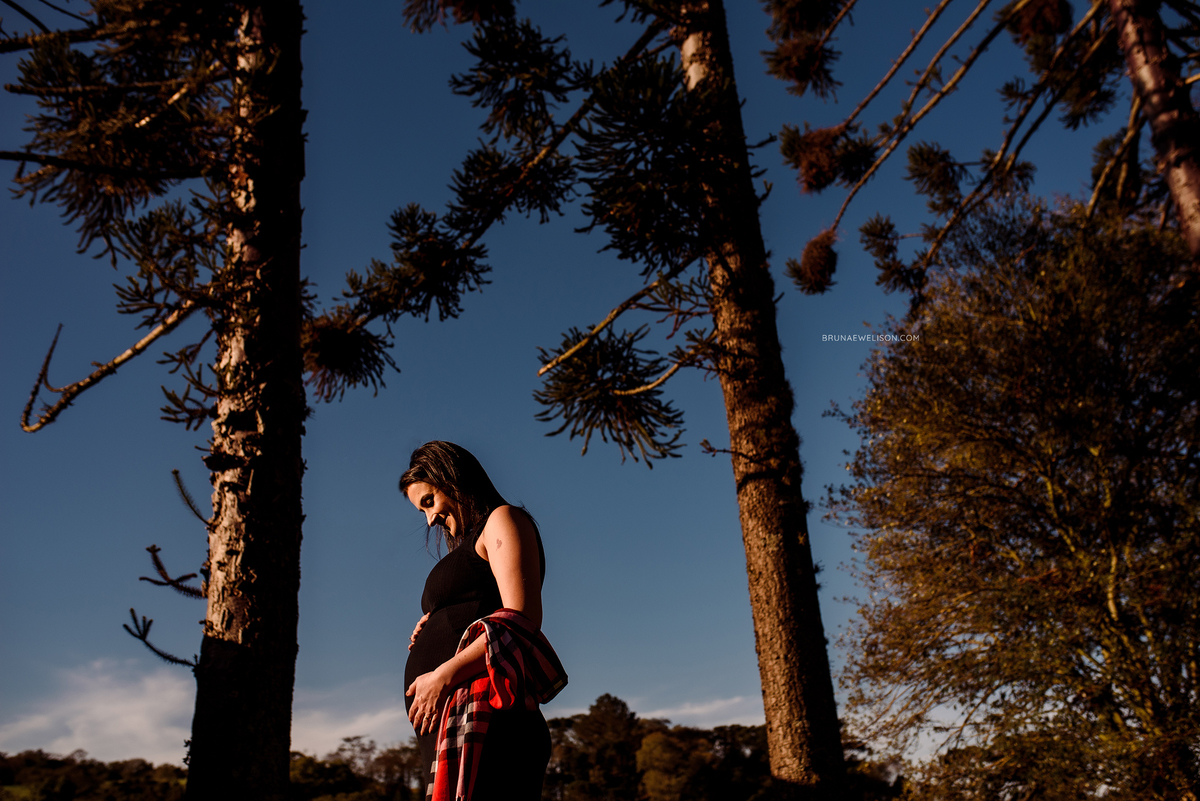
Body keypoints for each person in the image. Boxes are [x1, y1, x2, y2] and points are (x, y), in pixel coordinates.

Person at [401, 441, 562, 799]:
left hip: (492, 719)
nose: (430, 519)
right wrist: (435, 622)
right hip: (457, 724)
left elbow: (522, 619)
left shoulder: (502, 519)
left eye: (429, 502)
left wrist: (443, 674)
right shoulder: (467, 546)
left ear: (452, 479)